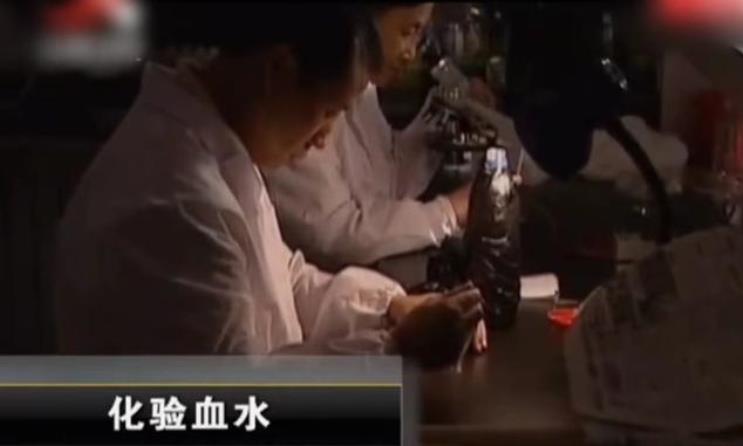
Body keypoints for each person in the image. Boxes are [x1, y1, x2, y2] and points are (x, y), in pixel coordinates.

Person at [53, 3, 486, 361]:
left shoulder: (213, 143)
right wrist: (393, 349)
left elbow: (286, 283)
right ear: (278, 69)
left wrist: (389, 308)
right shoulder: (181, 203)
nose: (323, 139)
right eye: (328, 111)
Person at [263, 2, 497, 273]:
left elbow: (384, 186)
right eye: (407, 31)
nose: (411, 53)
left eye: (420, 36)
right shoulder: (301, 100)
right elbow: (334, 235)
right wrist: (449, 211)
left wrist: (445, 114)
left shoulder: (365, 90)